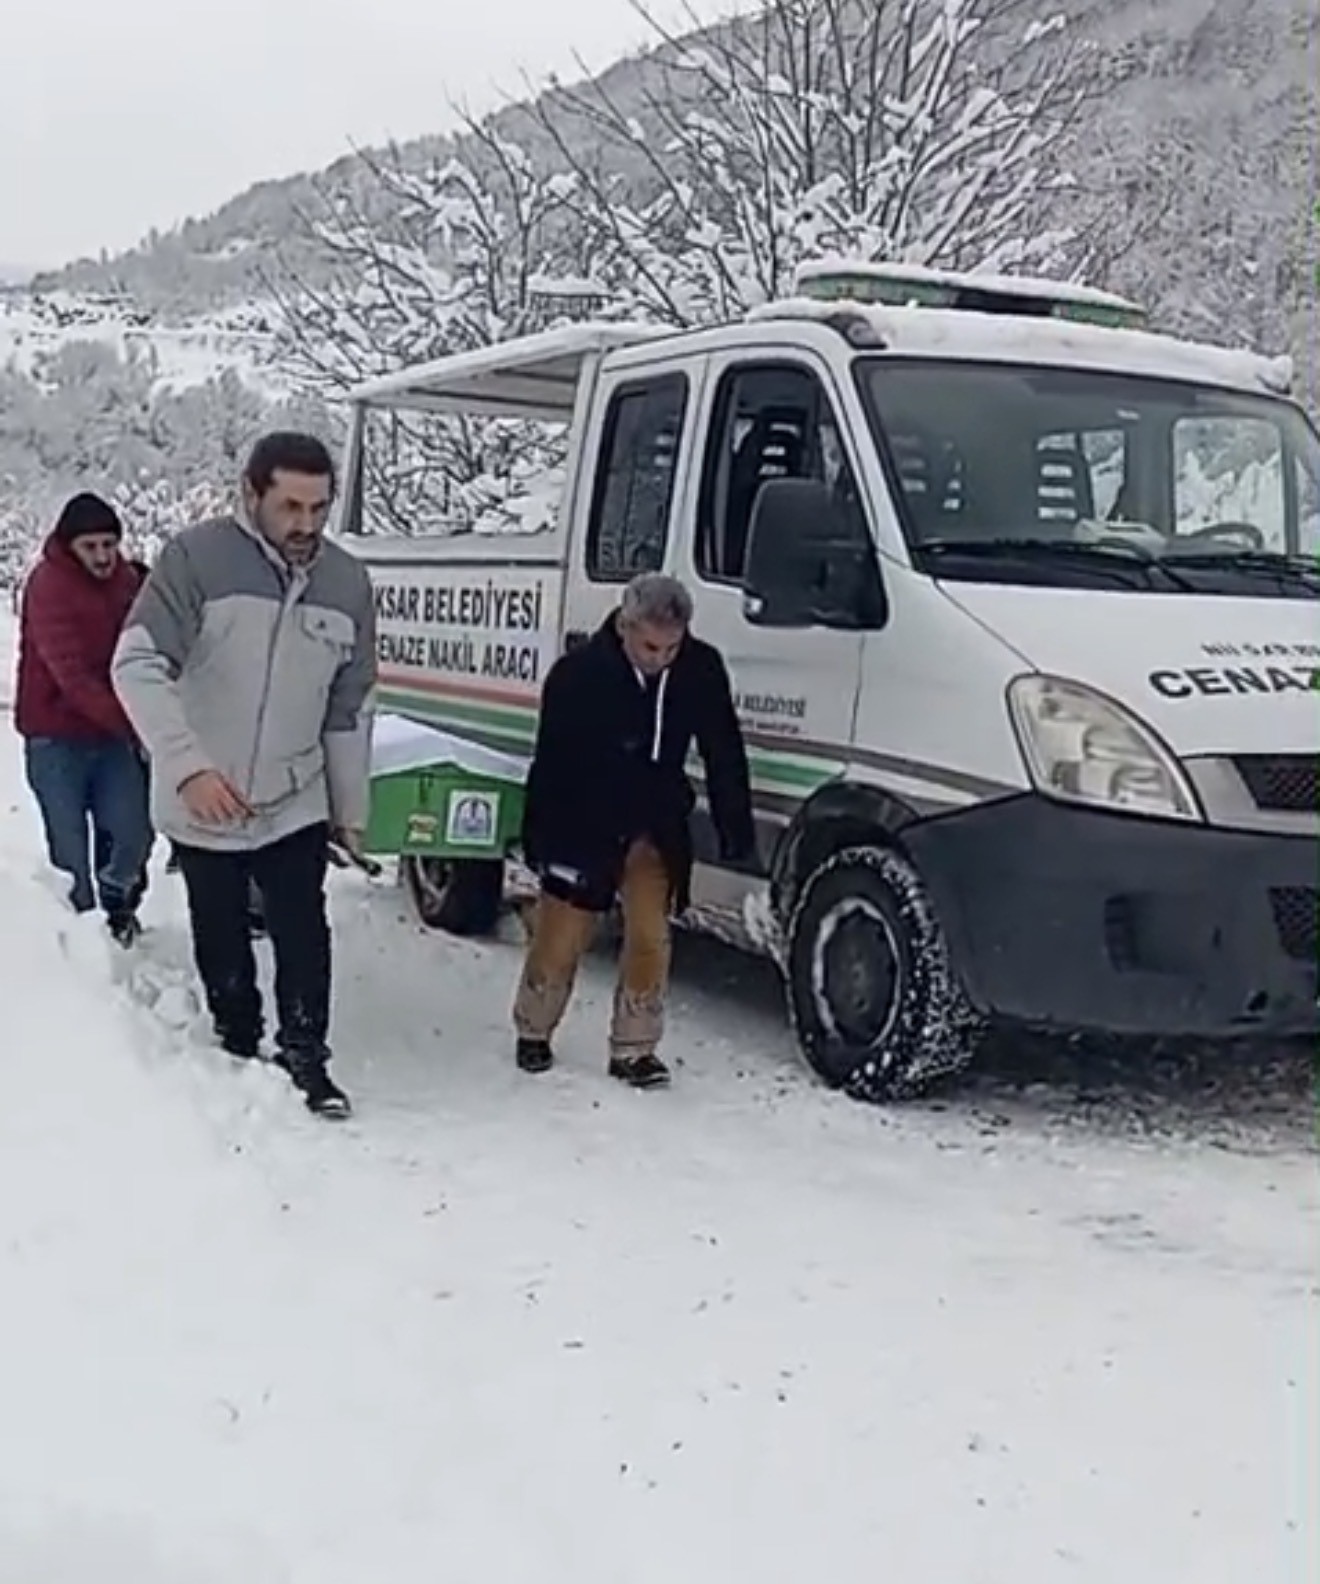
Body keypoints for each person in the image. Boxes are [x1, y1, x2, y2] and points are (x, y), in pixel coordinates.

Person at [112, 433, 377, 1118]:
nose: (306, 524)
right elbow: (137, 666)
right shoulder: (196, 559)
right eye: (290, 506)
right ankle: (237, 1034)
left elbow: (349, 705)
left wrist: (350, 808)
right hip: (208, 790)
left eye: (319, 507)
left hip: (294, 793)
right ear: (251, 493)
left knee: (302, 926)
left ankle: (306, 1054)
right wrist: (187, 767)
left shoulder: (346, 583)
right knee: (221, 925)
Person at [513, 572, 755, 1088]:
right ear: (625, 625)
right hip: (583, 825)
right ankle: (534, 1028)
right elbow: (551, 762)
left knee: (651, 936)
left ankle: (635, 1047)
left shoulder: (701, 669)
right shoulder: (578, 674)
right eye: (650, 645)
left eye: (672, 647)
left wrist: (736, 828)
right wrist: (538, 836)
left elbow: (723, 749)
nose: (660, 657)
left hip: (655, 825)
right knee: (563, 937)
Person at [14, 492, 153, 943]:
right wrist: (138, 725)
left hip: (112, 735)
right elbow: (70, 675)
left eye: (109, 545)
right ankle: (80, 945)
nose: (102, 556)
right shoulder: (48, 585)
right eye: (90, 546)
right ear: (70, 545)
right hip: (56, 736)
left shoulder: (128, 581)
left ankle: (117, 902)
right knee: (68, 849)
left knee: (133, 829)